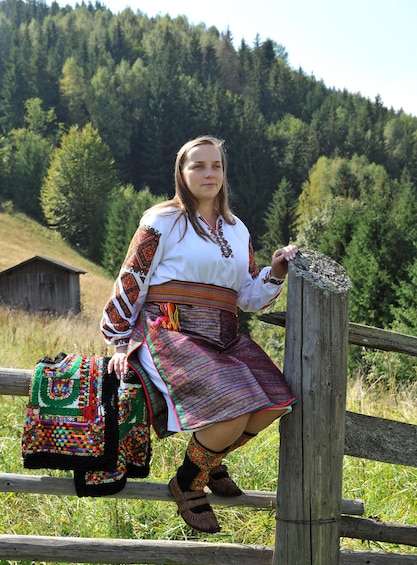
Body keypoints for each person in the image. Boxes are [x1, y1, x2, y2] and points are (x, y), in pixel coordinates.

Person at [101, 135, 297, 533]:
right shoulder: (161, 220)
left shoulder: (237, 229)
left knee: (277, 402)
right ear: (181, 172)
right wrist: (119, 340)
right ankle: (189, 481)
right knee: (232, 409)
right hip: (171, 330)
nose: (209, 173)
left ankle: (208, 457)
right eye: (198, 166)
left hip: (224, 333)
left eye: (216, 166)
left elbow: (246, 296)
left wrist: (276, 271)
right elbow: (132, 280)